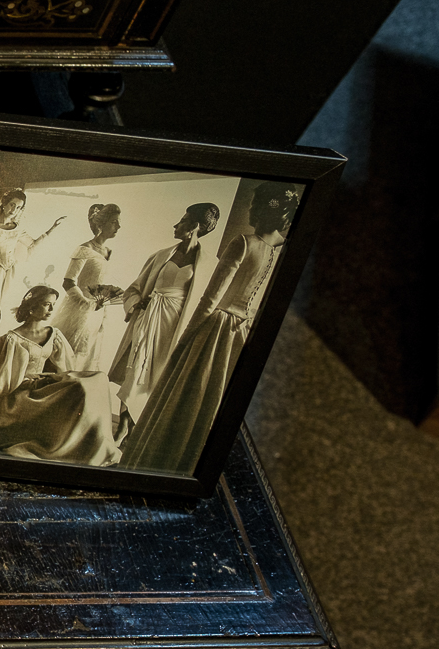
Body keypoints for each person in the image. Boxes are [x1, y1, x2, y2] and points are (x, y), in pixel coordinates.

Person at [121, 184, 299, 474]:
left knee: (185, 394)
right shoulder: (280, 251)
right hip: (242, 332)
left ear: (264, 208)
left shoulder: (243, 242)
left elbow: (210, 300)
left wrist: (186, 337)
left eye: (254, 204)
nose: (250, 209)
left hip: (216, 329)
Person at [0, 284, 120, 466]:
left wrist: (51, 378)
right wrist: (30, 381)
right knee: (79, 387)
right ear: (32, 307)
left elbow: (64, 367)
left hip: (42, 387)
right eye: (47, 304)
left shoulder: (53, 334)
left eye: (53, 305)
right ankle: (73, 447)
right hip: (19, 395)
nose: (51, 310)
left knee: (99, 378)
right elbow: (1, 380)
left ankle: (92, 444)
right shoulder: (12, 339)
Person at [106, 202, 222, 434]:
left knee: (158, 376)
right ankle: (123, 428)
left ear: (195, 226)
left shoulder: (211, 265)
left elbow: (208, 303)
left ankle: (139, 429)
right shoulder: (161, 256)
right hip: (149, 319)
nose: (176, 225)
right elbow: (134, 289)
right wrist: (137, 304)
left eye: (183, 221)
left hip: (175, 327)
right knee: (135, 370)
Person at [0, 188, 66, 318]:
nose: (14, 210)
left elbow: (32, 244)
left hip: (8, 274)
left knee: (1, 308)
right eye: (12, 205)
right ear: (4, 204)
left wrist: (52, 228)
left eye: (18, 207)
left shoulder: (18, 229)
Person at [48, 203, 122, 372]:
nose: (118, 226)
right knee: (66, 354)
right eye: (114, 222)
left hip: (98, 311)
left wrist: (99, 306)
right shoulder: (85, 249)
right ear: (101, 224)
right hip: (78, 308)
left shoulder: (109, 252)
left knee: (87, 356)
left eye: (118, 222)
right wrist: (86, 303)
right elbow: (68, 281)